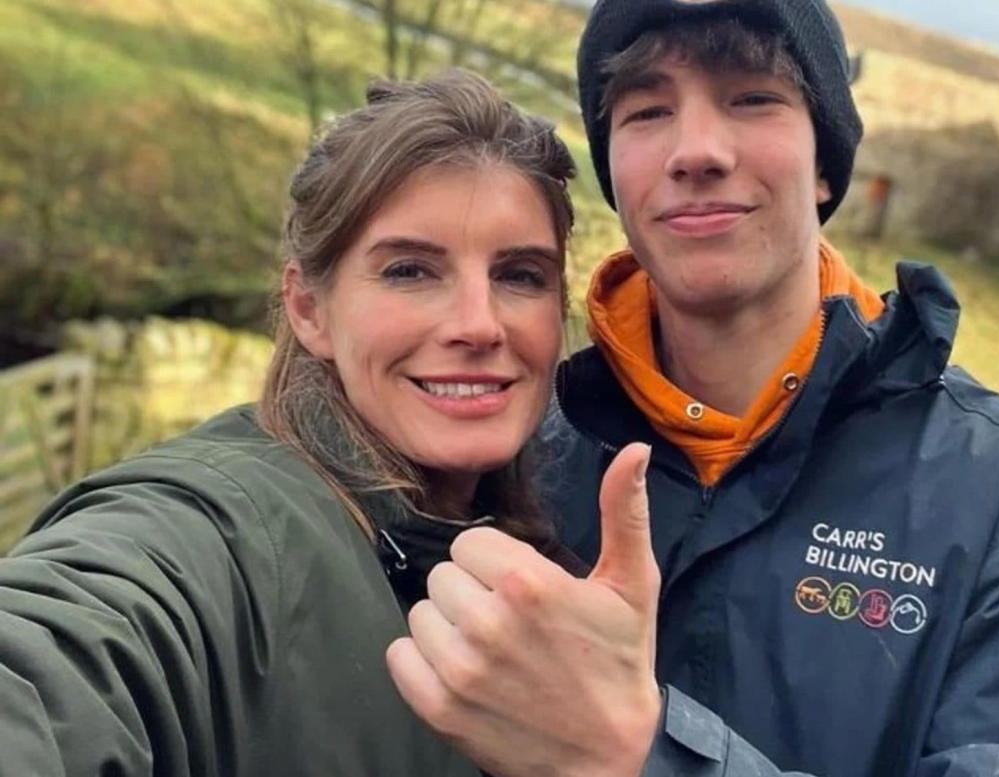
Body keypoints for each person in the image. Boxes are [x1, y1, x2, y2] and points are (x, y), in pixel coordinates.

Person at [385, 1, 999, 775]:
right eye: (648, 111)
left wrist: (636, 757)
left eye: (753, 98)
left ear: (825, 164)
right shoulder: (522, 443)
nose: (698, 150)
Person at [0, 69, 624, 776]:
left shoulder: (545, 542)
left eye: (519, 275)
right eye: (410, 271)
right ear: (309, 308)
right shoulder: (218, 531)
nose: (478, 324)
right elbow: (60, 664)